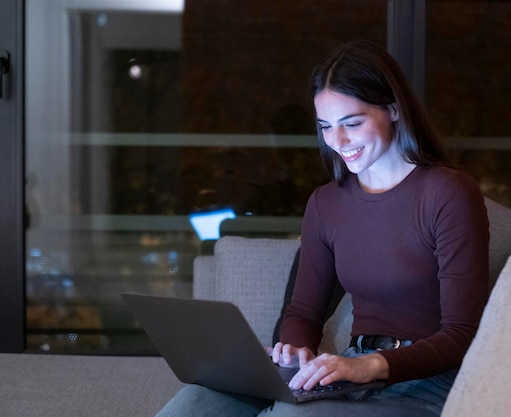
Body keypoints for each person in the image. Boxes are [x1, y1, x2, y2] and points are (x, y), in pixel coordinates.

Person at [156, 39, 490, 417]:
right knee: (196, 403)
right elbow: (302, 311)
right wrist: (296, 350)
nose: (337, 141)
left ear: (394, 110)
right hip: (350, 368)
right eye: (326, 127)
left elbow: (463, 333)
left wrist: (370, 366)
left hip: (428, 383)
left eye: (352, 123)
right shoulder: (326, 203)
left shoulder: (448, 193)